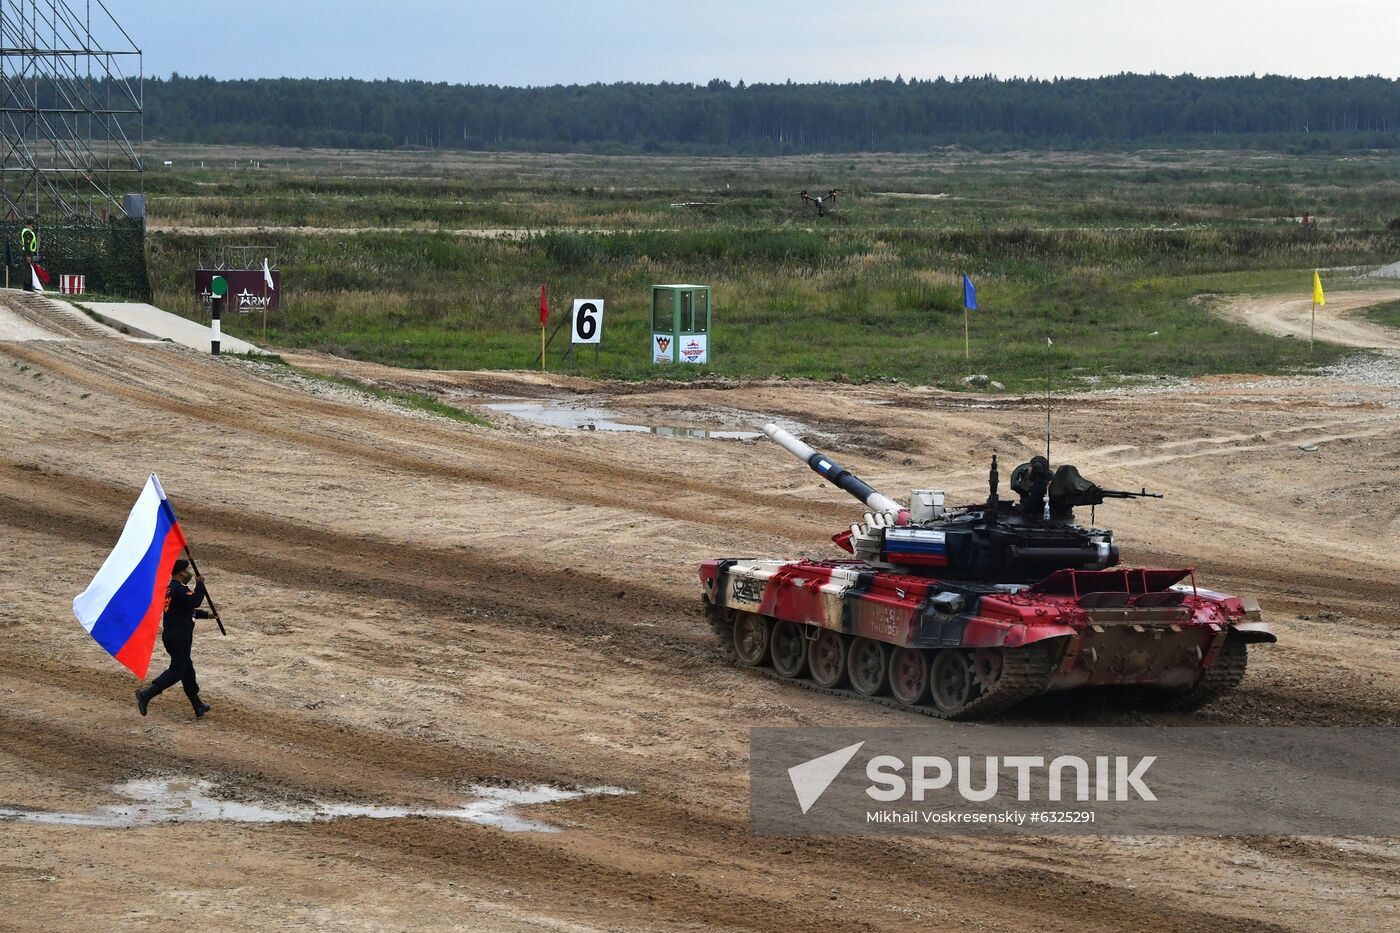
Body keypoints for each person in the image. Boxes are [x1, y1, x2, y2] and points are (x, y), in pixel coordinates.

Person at [136, 559, 214, 718]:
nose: (188, 573)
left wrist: (207, 615)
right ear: (180, 572)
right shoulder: (179, 589)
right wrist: (200, 584)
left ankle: (197, 705)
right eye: (186, 570)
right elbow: (195, 601)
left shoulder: (170, 590)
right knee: (177, 671)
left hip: (171, 634)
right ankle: (146, 694)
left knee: (187, 669)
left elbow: (184, 611)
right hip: (180, 635)